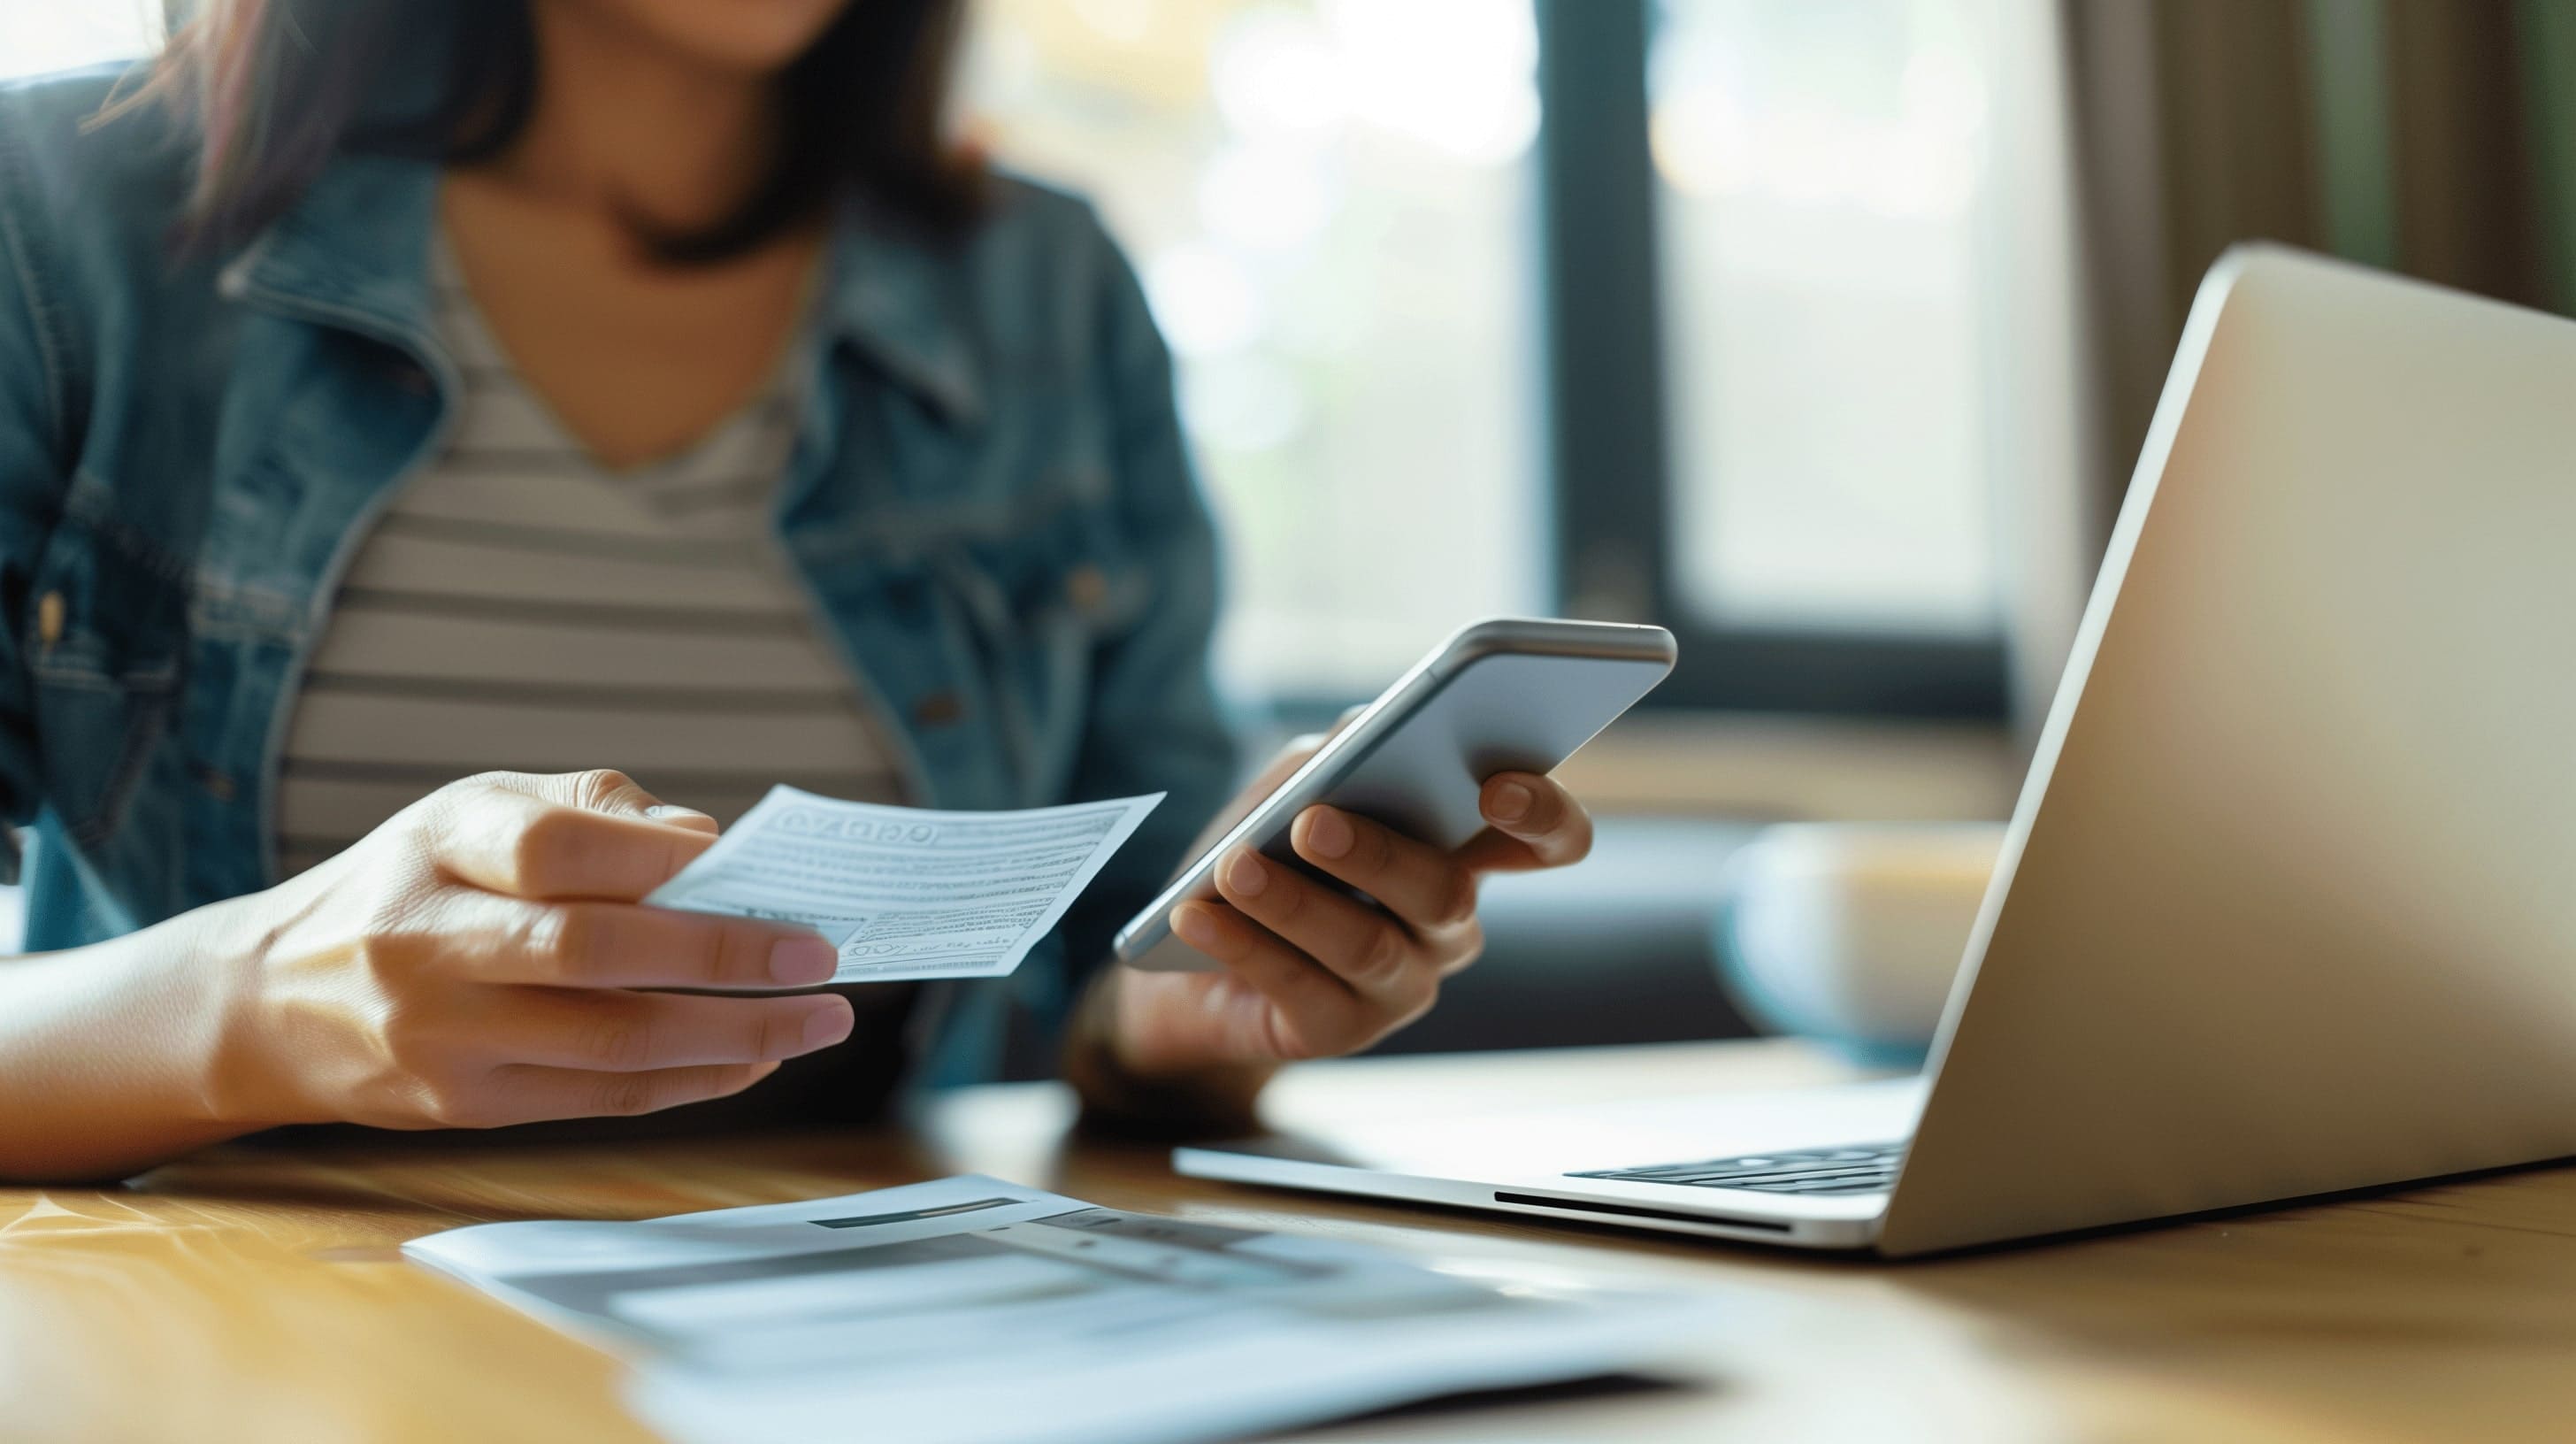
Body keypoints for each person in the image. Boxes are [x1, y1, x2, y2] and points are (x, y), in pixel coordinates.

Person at [0, 0, 1596, 1183]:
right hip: (254, 1339)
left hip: (887, 1342)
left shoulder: (1048, 296)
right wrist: (255, 999)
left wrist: (1202, 1017)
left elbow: (1116, 996)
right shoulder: (67, 225)